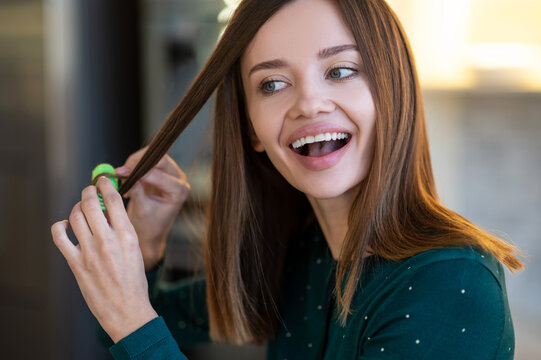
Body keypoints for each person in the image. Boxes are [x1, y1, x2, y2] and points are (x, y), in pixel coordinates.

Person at [50, 0, 525, 359]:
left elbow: (135, 329)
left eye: (340, 70)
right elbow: (123, 326)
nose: (308, 103)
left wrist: (133, 322)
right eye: (272, 84)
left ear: (391, 91)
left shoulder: (452, 284)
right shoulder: (302, 253)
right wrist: (146, 242)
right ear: (252, 129)